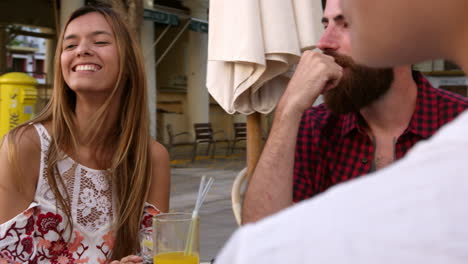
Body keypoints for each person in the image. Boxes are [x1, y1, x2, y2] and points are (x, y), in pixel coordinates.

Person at [214, 0, 468, 262]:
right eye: (325, 25)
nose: (324, 42)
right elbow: (260, 243)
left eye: (346, 24)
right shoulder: (314, 126)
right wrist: (288, 110)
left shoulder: (458, 124)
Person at [0, 5, 170, 263]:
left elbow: (158, 255)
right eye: (69, 46)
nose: (82, 50)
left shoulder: (152, 157)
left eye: (100, 41)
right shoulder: (24, 146)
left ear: (128, 63)